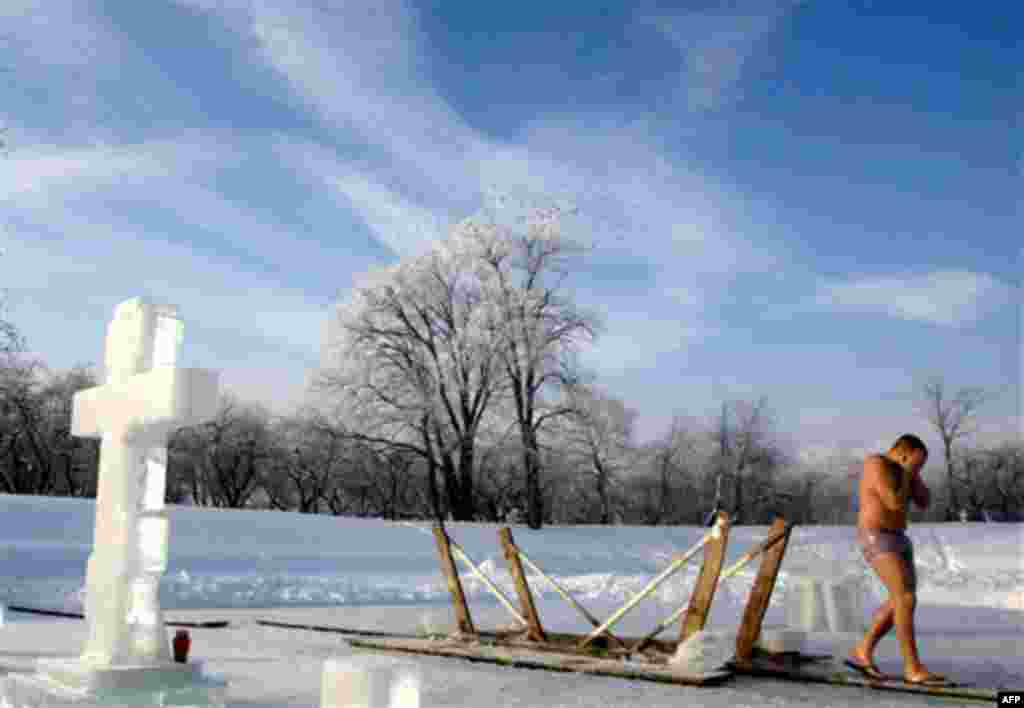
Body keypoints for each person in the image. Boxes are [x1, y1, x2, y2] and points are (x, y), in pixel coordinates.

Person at [846, 434, 946, 685]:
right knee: (905, 598)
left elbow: (924, 502)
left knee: (899, 601)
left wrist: (913, 474)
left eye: (921, 466)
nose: (917, 469)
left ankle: (862, 650)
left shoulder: (905, 472)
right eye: (917, 463)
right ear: (903, 453)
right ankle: (912, 667)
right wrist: (905, 472)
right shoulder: (875, 463)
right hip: (875, 535)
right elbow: (892, 502)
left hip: (899, 537)